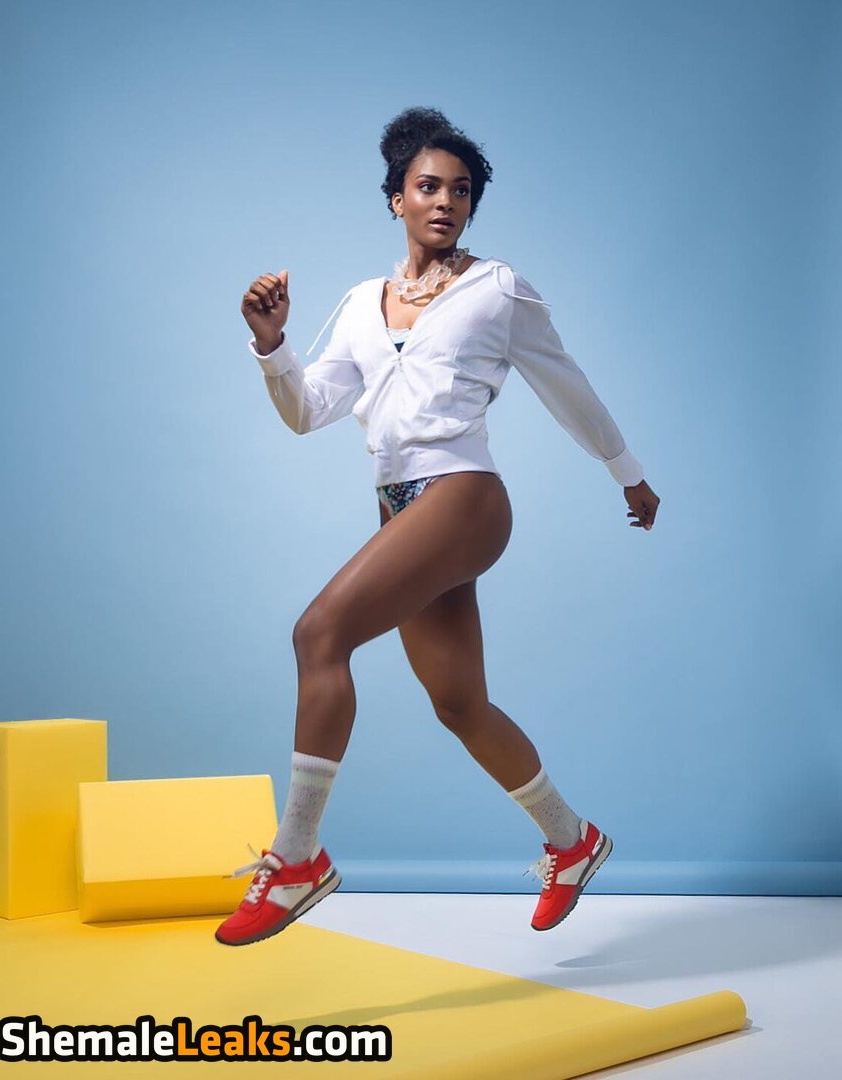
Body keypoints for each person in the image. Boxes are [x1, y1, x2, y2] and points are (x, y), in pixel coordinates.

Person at [215, 107, 661, 947]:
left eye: (461, 191)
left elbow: (566, 384)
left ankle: (297, 857)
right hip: (399, 505)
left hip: (464, 495)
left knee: (319, 634)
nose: (446, 202)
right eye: (428, 187)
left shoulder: (497, 291)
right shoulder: (360, 303)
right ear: (397, 199)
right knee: (458, 703)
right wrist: (272, 347)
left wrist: (626, 471)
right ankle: (571, 840)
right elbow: (308, 412)